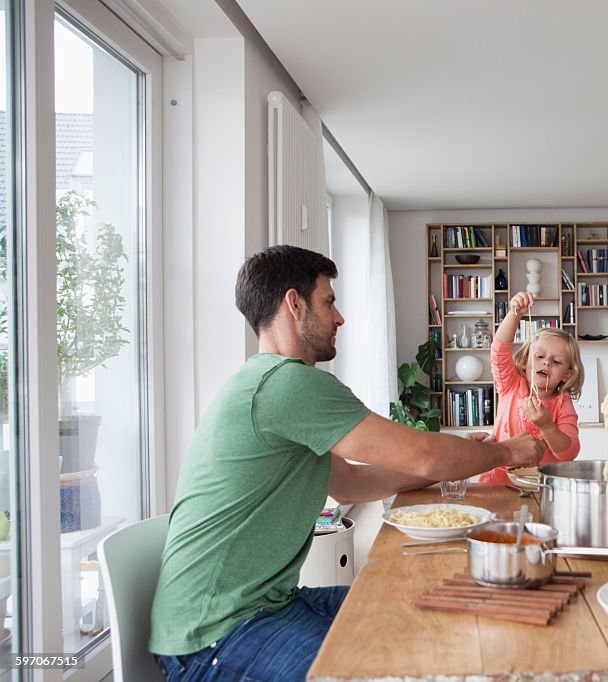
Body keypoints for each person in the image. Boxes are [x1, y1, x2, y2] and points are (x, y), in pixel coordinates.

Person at [149, 245, 543, 682]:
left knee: (425, 610)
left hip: (268, 606)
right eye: (329, 302)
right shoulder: (287, 384)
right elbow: (424, 452)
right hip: (217, 636)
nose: (340, 318)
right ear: (293, 303)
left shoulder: (264, 383)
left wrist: (451, 463)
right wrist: (505, 452)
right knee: (383, 662)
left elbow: (350, 484)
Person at [474, 292, 583, 485]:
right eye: (539, 356)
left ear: (566, 374)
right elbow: (499, 350)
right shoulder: (511, 384)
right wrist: (514, 314)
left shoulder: (562, 403)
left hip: (540, 489)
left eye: (557, 361)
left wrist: (547, 426)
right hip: (496, 483)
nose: (547, 363)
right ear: (525, 362)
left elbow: (569, 453)